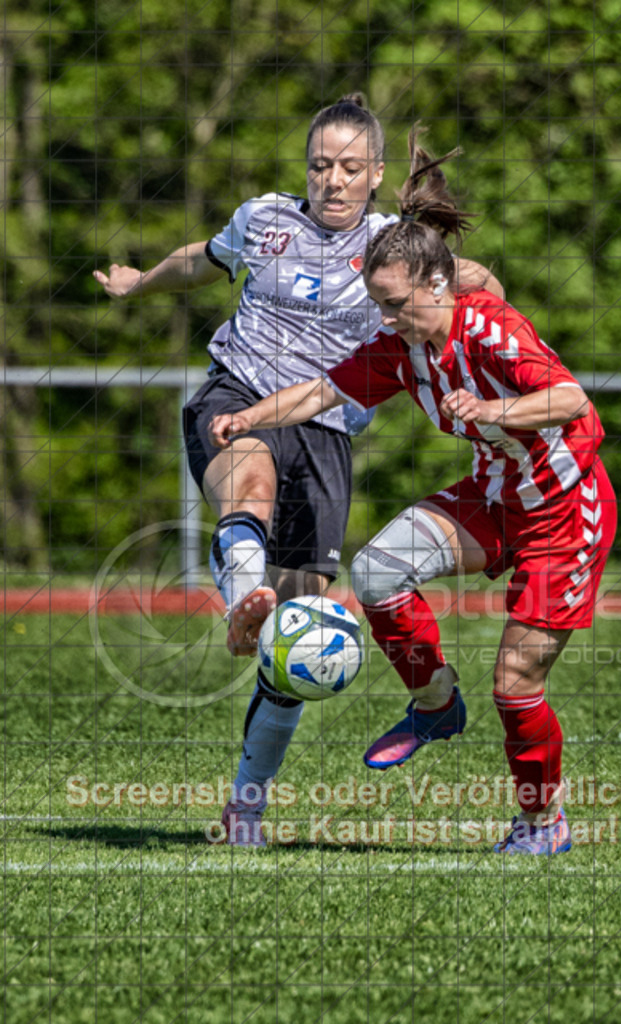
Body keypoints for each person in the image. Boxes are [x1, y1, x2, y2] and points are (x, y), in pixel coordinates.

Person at [93, 96, 501, 846]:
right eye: (320, 165)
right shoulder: (264, 219)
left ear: (376, 173)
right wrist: (142, 281)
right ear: (305, 168)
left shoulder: (393, 243)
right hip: (238, 394)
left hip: (324, 429)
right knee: (248, 484)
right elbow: (202, 259)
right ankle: (243, 598)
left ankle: (246, 803)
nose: (332, 180)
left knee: (293, 651)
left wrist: (482, 335)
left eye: (350, 167)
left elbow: (475, 281)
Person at [208, 129, 618, 856]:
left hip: (564, 512)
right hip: (495, 498)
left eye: (394, 304)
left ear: (435, 284)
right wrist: (249, 415)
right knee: (374, 572)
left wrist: (494, 412)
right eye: (377, 306)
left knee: (516, 683)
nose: (386, 319)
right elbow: (318, 391)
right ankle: (434, 705)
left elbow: (571, 398)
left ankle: (541, 824)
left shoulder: (493, 332)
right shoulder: (402, 350)